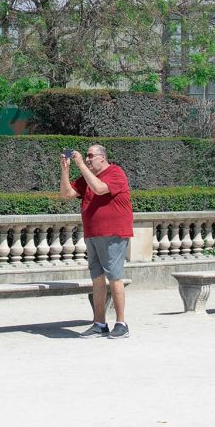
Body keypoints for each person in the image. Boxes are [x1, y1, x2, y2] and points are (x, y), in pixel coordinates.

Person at [60, 144, 133, 338]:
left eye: (91, 156)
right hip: (93, 234)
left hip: (113, 234)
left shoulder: (116, 172)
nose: (88, 158)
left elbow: (100, 189)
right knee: (97, 278)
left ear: (102, 157)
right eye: (87, 156)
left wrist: (81, 165)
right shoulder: (87, 178)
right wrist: (65, 169)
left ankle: (121, 323)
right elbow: (66, 193)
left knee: (115, 277)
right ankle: (99, 323)